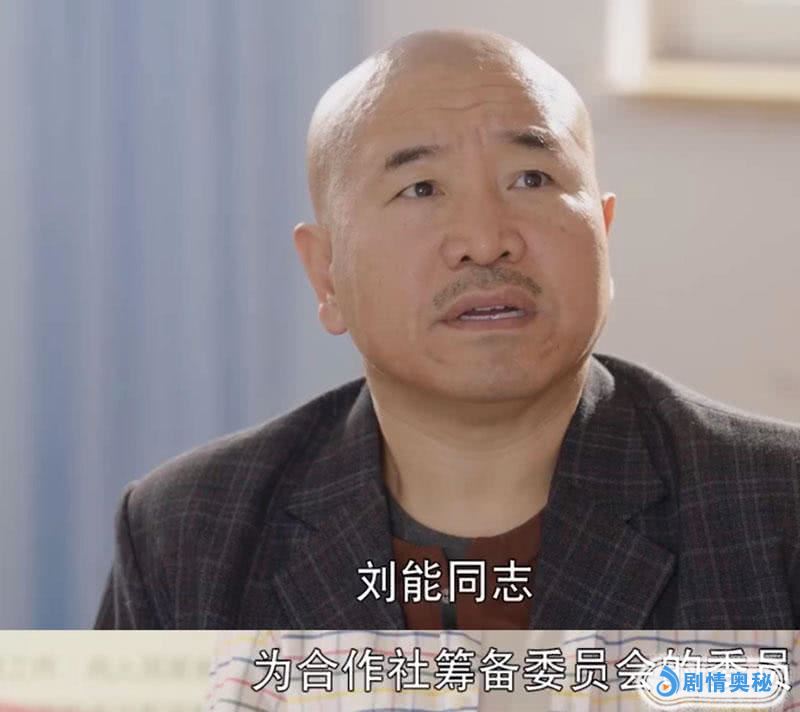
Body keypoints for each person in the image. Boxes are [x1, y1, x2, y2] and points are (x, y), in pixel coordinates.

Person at [95, 29, 800, 630]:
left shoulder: (776, 509)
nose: (486, 241)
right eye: (421, 188)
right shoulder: (188, 532)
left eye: (531, 178)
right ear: (326, 274)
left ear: (604, 236)